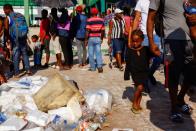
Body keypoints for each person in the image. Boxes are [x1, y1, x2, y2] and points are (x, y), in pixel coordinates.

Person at [147, 0, 193, 123]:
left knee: (191, 74)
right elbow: (150, 17)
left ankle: (180, 98)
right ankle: (174, 108)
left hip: (191, 39)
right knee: (174, 74)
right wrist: (151, 42)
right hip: (171, 39)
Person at [129, 0, 162, 86]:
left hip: (157, 34)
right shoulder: (141, 1)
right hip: (144, 34)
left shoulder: (159, 1)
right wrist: (133, 37)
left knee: (159, 58)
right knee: (144, 60)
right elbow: (136, 19)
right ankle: (144, 82)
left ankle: (149, 74)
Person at [124, 29, 158, 114]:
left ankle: (138, 104)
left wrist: (155, 48)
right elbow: (127, 62)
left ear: (142, 40)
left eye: (137, 41)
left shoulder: (146, 49)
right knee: (139, 87)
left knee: (141, 88)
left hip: (144, 72)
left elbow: (154, 54)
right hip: (135, 72)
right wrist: (127, 74)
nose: (135, 43)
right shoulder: (129, 50)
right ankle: (134, 104)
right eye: (133, 41)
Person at [3, 4, 32, 77]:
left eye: (4, 10)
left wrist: (7, 39)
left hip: (15, 39)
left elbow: (6, 30)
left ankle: (16, 73)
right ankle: (28, 70)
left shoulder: (8, 18)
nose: (4, 12)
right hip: (23, 37)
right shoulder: (20, 15)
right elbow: (26, 26)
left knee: (16, 54)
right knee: (24, 53)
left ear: (8, 9)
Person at [85, 7, 105, 73]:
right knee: (98, 53)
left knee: (90, 53)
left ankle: (93, 67)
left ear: (91, 13)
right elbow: (102, 31)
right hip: (98, 38)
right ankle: (99, 67)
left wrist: (86, 40)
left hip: (91, 38)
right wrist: (101, 38)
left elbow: (87, 31)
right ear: (97, 13)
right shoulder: (101, 20)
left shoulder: (89, 20)